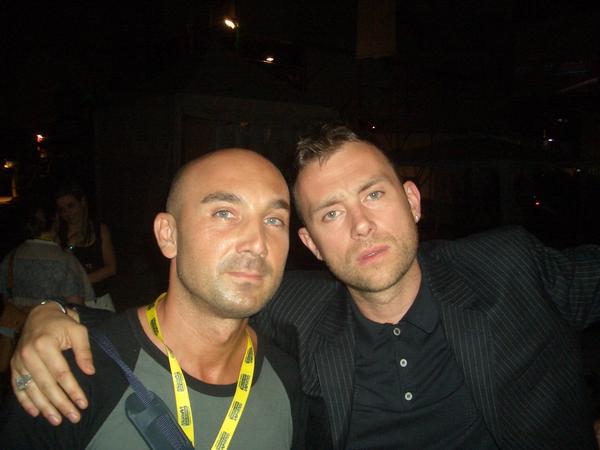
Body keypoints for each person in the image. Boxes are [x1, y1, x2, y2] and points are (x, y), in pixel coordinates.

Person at [9, 124, 600, 449]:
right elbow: (203, 306)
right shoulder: (297, 312)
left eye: (374, 194)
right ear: (312, 244)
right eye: (331, 213)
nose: (361, 225)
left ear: (413, 201)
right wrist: (53, 312)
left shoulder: (506, 267)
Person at [1, 149, 305, 449]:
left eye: (274, 220)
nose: (258, 243)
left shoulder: (287, 379)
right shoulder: (68, 375)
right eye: (224, 213)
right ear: (168, 235)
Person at [0, 201, 93, 307]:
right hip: (51, 317)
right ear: (55, 222)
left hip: (20, 317)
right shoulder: (65, 261)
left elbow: (6, 300)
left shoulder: (10, 259)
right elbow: (76, 306)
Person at [55, 183, 117, 311]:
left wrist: (81, 281)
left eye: (71, 206)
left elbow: (111, 268)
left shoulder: (100, 230)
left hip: (100, 298)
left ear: (82, 202)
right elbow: (58, 271)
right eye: (62, 209)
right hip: (73, 302)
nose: (68, 213)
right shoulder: (59, 235)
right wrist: (70, 247)